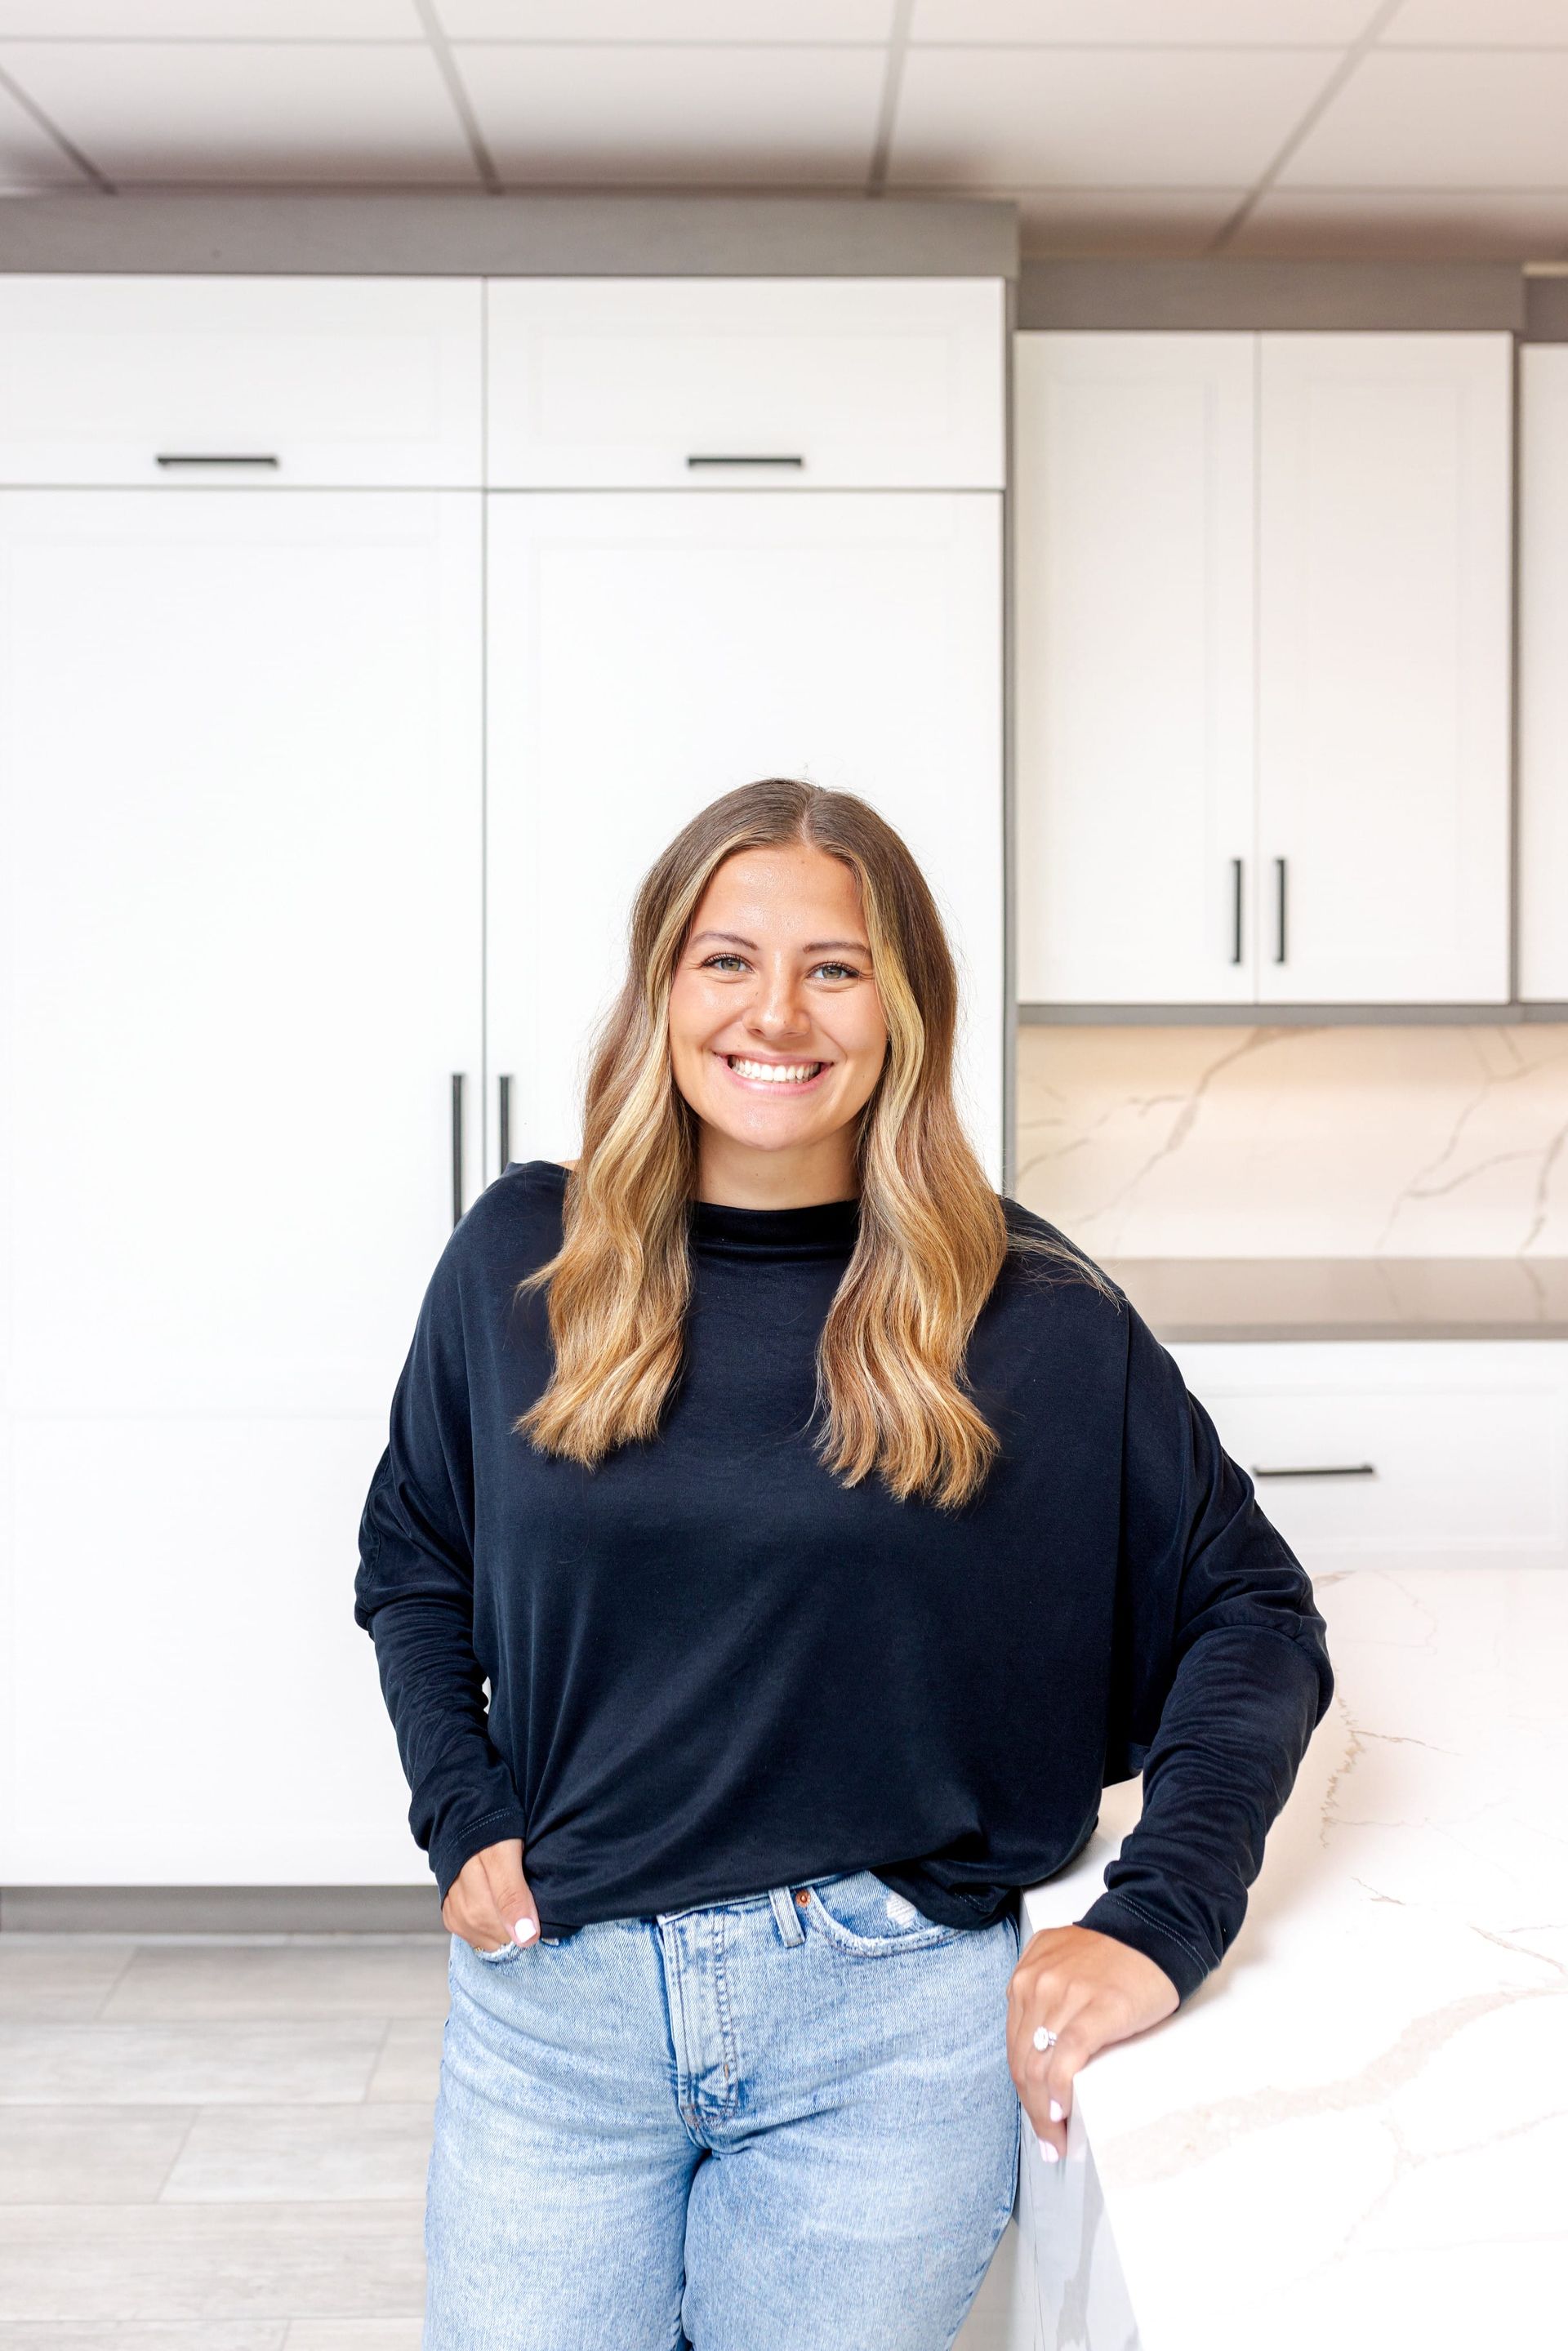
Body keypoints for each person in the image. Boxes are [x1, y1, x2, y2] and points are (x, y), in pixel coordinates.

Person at [354, 776, 1334, 2351]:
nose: (777, 1013)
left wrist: (1163, 1916)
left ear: (905, 1010)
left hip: (885, 2032)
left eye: (836, 966)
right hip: (559, 2017)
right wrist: (460, 1810)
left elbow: (1254, 1612)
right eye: (726, 960)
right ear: (662, 990)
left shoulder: (1033, 1312)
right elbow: (413, 1549)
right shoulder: (521, 1260)